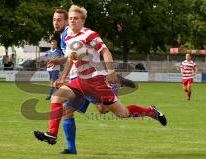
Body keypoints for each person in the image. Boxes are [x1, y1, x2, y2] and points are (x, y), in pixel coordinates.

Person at [34, 4, 167, 149]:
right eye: (71, 18)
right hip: (79, 80)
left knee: (121, 113)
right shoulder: (69, 38)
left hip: (96, 81)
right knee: (56, 97)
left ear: (82, 20)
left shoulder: (89, 35)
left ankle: (150, 111)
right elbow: (72, 58)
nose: (72, 21)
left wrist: (111, 72)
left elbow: (105, 52)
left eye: (75, 18)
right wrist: (62, 76)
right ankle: (52, 134)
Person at [35, 8, 112, 154]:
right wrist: (61, 62)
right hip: (77, 79)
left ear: (66, 21)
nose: (56, 23)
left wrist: (63, 72)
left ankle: (114, 93)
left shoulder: (69, 34)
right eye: (54, 19)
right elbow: (72, 56)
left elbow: (75, 55)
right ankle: (69, 147)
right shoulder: (66, 36)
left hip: (88, 78)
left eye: (59, 20)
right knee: (65, 110)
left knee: (104, 109)